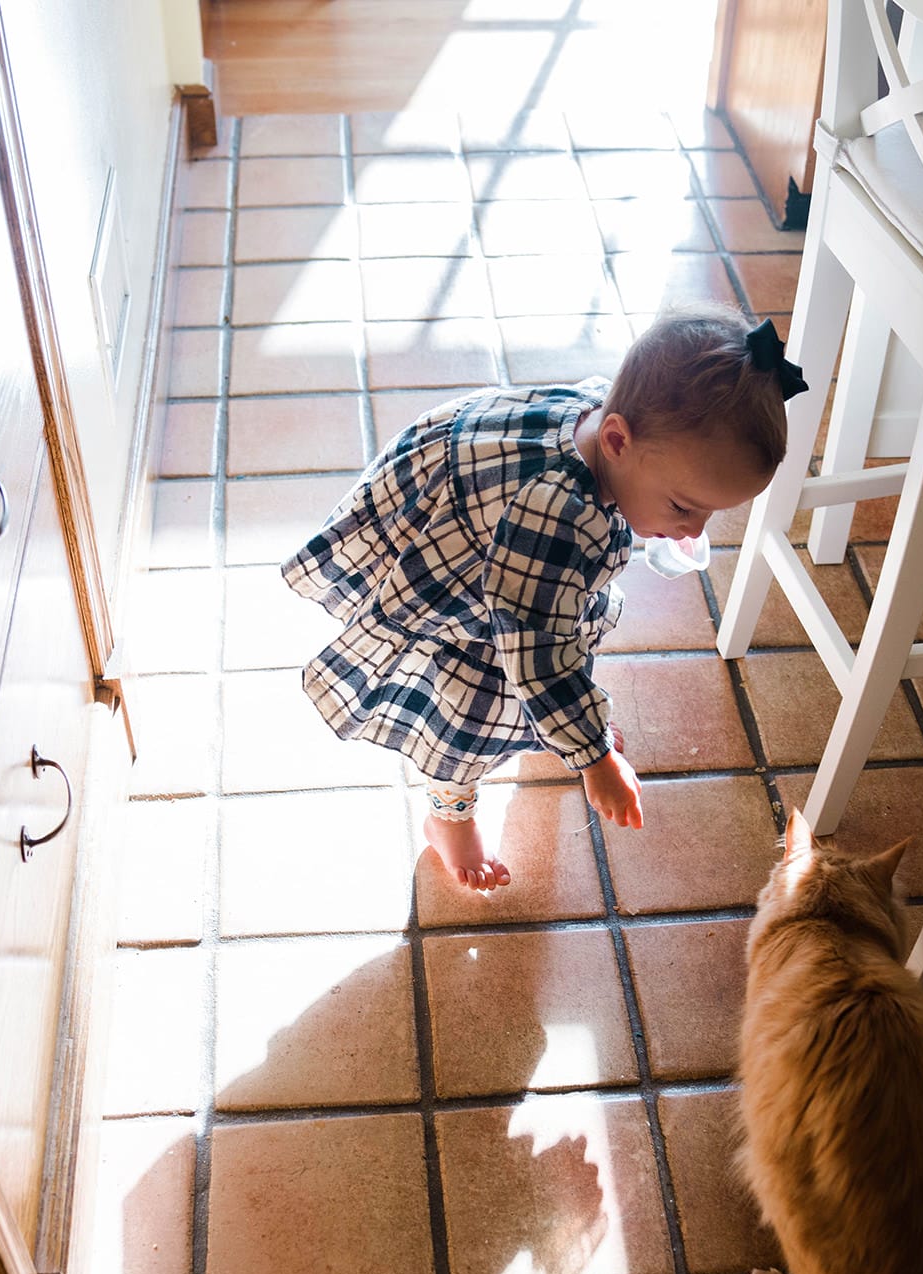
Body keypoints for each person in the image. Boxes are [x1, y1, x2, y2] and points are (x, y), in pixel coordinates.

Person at [283, 303, 806, 891]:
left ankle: (554, 731)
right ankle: (448, 818)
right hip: (464, 580)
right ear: (615, 439)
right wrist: (594, 755)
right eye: (684, 507)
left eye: (710, 513)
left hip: (497, 543)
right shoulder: (557, 521)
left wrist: (583, 734)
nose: (693, 531)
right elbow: (539, 656)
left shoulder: (608, 412)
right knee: (465, 709)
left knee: (548, 654)